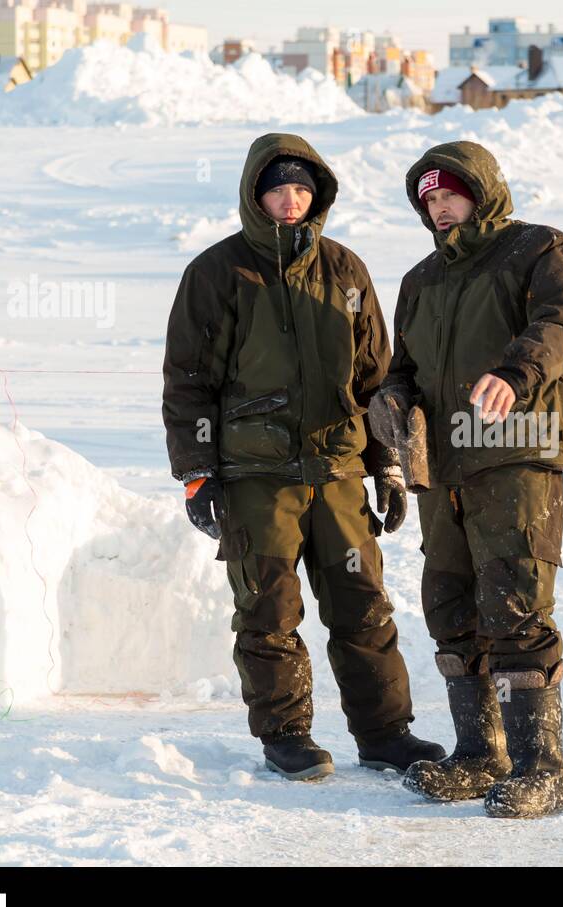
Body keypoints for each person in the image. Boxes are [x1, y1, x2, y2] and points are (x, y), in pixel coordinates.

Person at [162, 133, 444, 781]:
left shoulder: (346, 270)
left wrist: (393, 464)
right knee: (268, 611)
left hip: (340, 472)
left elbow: (378, 380)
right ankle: (287, 735)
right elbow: (188, 383)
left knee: (363, 606)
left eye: (301, 189)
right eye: (278, 188)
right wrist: (197, 473)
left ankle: (384, 734)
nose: (291, 201)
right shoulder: (216, 273)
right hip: (256, 480)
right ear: (254, 195)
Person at [369, 142, 563, 818]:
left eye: (450, 195)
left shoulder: (536, 248)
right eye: (429, 200)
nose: (439, 209)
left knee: (515, 605)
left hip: (516, 452)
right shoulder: (421, 280)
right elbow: (403, 365)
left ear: (482, 190)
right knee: (451, 606)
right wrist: (392, 399)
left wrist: (517, 372)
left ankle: (540, 769)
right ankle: (480, 754)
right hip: (443, 470)